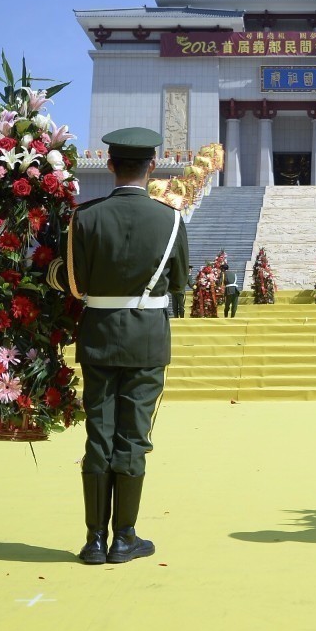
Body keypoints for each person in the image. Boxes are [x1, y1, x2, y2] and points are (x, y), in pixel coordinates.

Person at [43, 127, 187, 565]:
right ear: (153, 167)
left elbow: (74, 283)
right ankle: (124, 537)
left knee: (99, 434)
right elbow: (179, 283)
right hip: (147, 338)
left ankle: (94, 541)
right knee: (133, 437)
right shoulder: (171, 220)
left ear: (109, 166)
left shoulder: (85, 218)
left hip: (100, 334)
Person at [220, 253, 240, 318]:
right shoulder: (234, 274)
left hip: (229, 290)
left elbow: (220, 282)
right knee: (234, 305)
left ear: (223, 269)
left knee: (227, 305)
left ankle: (226, 317)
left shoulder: (223, 274)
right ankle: (232, 317)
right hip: (236, 290)